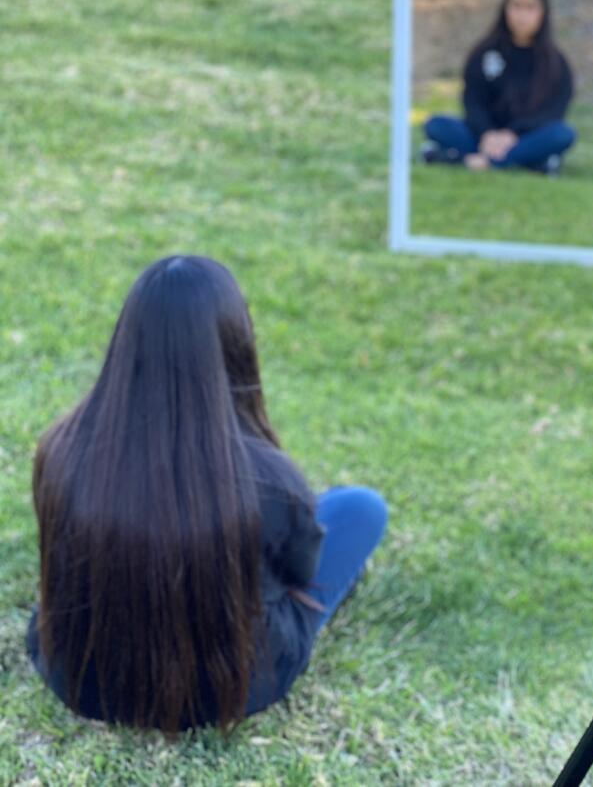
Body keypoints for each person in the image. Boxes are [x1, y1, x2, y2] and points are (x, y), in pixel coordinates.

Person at [25, 256, 388, 734]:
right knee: (361, 508)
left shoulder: (61, 446)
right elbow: (296, 575)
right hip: (233, 686)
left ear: (127, 338)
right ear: (235, 346)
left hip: (81, 679)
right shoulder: (272, 482)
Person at [421, 0, 575, 175]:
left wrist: (512, 134)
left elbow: (553, 112)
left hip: (525, 137)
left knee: (562, 134)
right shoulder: (484, 52)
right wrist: (487, 133)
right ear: (505, 8)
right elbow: (472, 101)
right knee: (436, 124)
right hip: (482, 136)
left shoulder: (556, 63)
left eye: (530, 7)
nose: (522, 15)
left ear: (543, 12)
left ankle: (467, 160)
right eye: (516, 6)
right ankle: (531, 163)